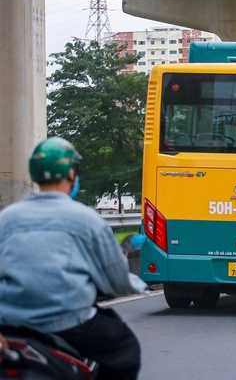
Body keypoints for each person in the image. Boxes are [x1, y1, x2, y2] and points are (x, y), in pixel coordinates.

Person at [0, 137, 146, 380]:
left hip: (11, 324)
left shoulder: (6, 218)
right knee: (125, 351)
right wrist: (134, 284)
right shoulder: (87, 220)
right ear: (70, 172)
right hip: (68, 323)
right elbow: (117, 278)